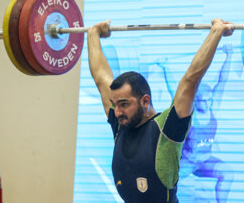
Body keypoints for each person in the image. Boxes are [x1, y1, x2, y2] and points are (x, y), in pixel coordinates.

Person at [87, 19, 234, 203]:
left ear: (145, 100)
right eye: (114, 104)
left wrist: (216, 32)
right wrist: (93, 34)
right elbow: (101, 77)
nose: (116, 112)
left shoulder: (168, 127)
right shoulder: (121, 123)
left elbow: (191, 78)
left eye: (124, 104)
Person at [155, 44, 234, 202]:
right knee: (165, 181)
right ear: (196, 101)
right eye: (202, 101)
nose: (207, 103)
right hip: (188, 163)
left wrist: (229, 56)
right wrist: (165, 68)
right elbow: (176, 93)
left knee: (228, 173)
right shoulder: (192, 114)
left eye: (209, 100)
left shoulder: (213, 106)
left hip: (205, 161)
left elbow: (222, 81)